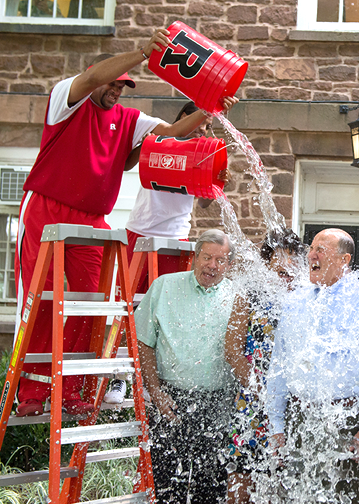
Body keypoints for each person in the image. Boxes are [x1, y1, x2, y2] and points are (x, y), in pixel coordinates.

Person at [14, 30, 216, 418]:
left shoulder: (129, 119)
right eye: (114, 83)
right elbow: (90, 81)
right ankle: (32, 390)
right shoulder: (65, 101)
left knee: (91, 305)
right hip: (46, 208)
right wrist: (143, 52)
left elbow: (172, 132)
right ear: (99, 76)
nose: (117, 91)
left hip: (92, 219)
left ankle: (75, 388)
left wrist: (210, 108)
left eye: (124, 87)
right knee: (42, 300)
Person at [104, 99, 236, 405]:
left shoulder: (203, 156)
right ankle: (118, 376)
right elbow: (139, 157)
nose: (200, 130)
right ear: (182, 121)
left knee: (167, 312)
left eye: (205, 126)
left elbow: (202, 202)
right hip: (142, 231)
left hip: (176, 239)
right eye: (196, 123)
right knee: (126, 309)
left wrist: (217, 184)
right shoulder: (160, 144)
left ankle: (150, 378)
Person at [265, 228, 359, 504]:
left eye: (321, 250)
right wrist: (276, 424)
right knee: (293, 498)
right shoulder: (295, 302)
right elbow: (279, 366)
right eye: (311, 248)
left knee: (343, 499)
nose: (311, 255)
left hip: (347, 423)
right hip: (299, 420)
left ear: (344, 259)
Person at [136, 229, 237, 504]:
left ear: (229, 265)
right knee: (167, 484)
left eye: (220, 260)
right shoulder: (164, 287)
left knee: (212, 485)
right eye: (207, 257)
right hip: (170, 400)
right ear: (195, 257)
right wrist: (155, 391)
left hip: (219, 403)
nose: (212, 266)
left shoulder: (238, 298)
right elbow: (143, 341)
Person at [224, 229, 307, 503]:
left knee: (286, 484)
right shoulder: (248, 296)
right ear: (267, 263)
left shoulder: (305, 299)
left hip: (292, 406)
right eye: (279, 263)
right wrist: (259, 389)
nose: (286, 269)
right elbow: (232, 350)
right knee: (243, 477)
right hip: (253, 403)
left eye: (292, 262)